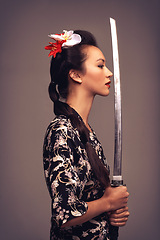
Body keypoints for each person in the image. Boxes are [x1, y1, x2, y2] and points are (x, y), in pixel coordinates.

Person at [43, 30, 129, 240]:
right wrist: (108, 202)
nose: (109, 73)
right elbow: (64, 214)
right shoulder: (62, 130)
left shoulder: (84, 131)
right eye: (100, 65)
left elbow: (92, 200)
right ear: (76, 74)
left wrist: (112, 212)